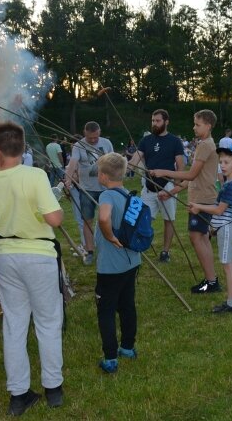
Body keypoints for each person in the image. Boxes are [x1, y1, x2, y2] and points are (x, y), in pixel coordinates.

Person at [0, 122, 64, 416]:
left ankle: (19, 393)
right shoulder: (36, 175)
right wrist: (59, 208)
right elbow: (54, 219)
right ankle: (53, 388)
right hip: (39, 254)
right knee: (48, 321)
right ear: (22, 146)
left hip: (6, 256)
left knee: (14, 324)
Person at [149, 110, 220, 294]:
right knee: (202, 237)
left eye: (197, 124)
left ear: (208, 125)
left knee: (197, 237)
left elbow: (190, 174)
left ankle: (211, 281)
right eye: (194, 124)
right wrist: (172, 191)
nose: (194, 127)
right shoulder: (205, 144)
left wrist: (164, 172)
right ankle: (211, 280)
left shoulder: (205, 145)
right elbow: (193, 178)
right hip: (202, 197)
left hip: (202, 199)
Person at [93, 153, 141, 374]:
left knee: (106, 310)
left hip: (110, 267)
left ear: (103, 176)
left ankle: (111, 357)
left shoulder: (107, 196)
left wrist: (110, 236)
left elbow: (104, 218)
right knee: (127, 304)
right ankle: (128, 347)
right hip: (131, 263)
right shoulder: (128, 195)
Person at [190, 146, 232, 313]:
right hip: (225, 227)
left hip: (227, 229)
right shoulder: (229, 183)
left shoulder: (231, 186)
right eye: (221, 162)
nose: (223, 165)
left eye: (227, 162)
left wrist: (199, 207)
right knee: (229, 264)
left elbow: (220, 210)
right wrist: (214, 227)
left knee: (228, 265)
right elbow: (221, 209)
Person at [129, 110, 185, 263]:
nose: (154, 123)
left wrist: (175, 188)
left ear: (166, 122)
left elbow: (180, 166)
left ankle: (165, 252)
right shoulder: (146, 140)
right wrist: (126, 167)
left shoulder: (174, 141)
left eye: (158, 121)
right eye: (153, 120)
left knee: (169, 220)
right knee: (142, 219)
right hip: (148, 188)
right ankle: (139, 246)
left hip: (167, 186)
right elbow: (135, 159)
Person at [66, 122, 114, 265]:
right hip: (87, 189)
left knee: (107, 220)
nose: (93, 140)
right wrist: (68, 179)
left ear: (99, 132)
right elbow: (73, 163)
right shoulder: (78, 145)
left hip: (106, 189)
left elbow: (114, 161)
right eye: (89, 138)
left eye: (95, 137)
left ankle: (109, 249)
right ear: (84, 133)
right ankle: (90, 251)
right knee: (87, 221)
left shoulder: (106, 143)